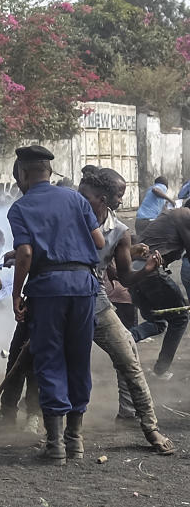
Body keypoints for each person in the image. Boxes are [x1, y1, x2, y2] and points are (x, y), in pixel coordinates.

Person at [8, 145, 103, 465]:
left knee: (50, 361)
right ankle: (75, 442)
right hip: (83, 287)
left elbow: (25, 254)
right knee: (78, 358)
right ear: (50, 172)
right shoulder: (76, 199)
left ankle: (56, 446)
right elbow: (100, 242)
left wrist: (16, 292)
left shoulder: (20, 208)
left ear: (23, 174)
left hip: (48, 290)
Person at [76, 169, 173, 454]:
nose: (80, 200)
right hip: (64, 297)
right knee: (44, 358)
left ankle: (150, 427)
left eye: (86, 197)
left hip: (95, 299)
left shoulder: (119, 231)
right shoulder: (70, 218)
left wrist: (148, 269)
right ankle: (48, 427)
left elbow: (124, 276)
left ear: (100, 199)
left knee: (129, 356)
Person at [129, 206, 190, 379]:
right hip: (148, 272)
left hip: (135, 273)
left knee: (158, 322)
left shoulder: (170, 216)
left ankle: (122, 340)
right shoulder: (185, 214)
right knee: (181, 318)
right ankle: (160, 371)